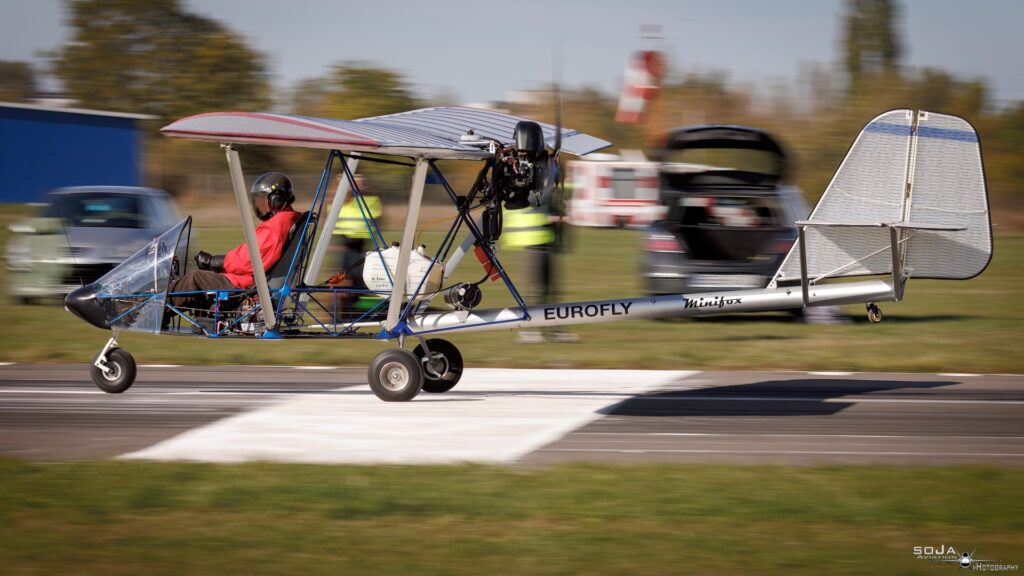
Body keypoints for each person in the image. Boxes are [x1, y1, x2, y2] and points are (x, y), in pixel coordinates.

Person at [167, 172, 302, 314]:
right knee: (199, 278)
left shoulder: (275, 226)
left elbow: (251, 260)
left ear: (276, 201)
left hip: (244, 284)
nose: (258, 206)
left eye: (262, 201)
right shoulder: (288, 220)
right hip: (251, 280)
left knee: (195, 278)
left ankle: (156, 310)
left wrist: (215, 262)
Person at [501, 183, 578, 343]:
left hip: (545, 239)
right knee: (535, 290)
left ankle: (555, 331)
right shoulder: (528, 180)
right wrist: (553, 214)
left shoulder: (545, 180)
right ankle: (529, 331)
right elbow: (533, 201)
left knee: (552, 290)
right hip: (531, 239)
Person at [331, 174, 383, 289]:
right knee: (346, 272)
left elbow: (377, 218)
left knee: (357, 272)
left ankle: (355, 291)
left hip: (360, 241)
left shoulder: (370, 200)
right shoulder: (340, 199)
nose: (359, 182)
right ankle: (344, 292)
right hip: (345, 242)